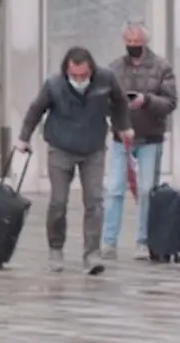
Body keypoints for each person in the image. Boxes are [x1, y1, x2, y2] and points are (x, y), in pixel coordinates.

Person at [16, 46, 133, 274]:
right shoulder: (54, 85)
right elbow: (35, 111)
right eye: (74, 76)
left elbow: (120, 102)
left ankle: (92, 254)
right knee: (58, 202)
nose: (79, 79)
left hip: (93, 149)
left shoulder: (106, 79)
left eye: (84, 75)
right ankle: (56, 249)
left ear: (91, 68)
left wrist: (124, 127)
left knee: (94, 202)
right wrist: (23, 138)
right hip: (61, 148)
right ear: (67, 71)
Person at [103, 22, 177, 261]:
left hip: (150, 137)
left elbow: (170, 102)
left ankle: (143, 241)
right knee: (114, 189)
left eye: (137, 43)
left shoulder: (162, 67)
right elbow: (103, 99)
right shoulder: (114, 68)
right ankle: (109, 241)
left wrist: (146, 100)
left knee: (146, 190)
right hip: (121, 136)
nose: (133, 47)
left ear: (145, 42)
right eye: (129, 43)